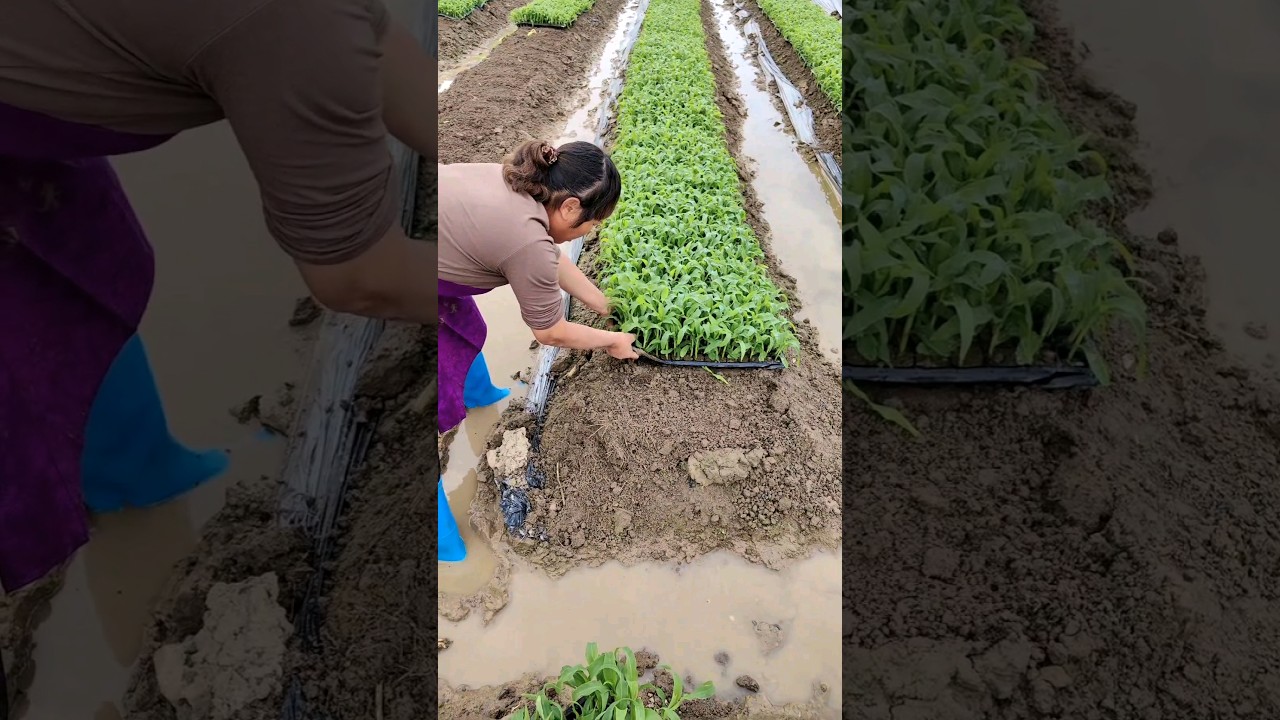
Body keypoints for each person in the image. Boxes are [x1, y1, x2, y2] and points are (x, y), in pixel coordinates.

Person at [0, 0, 437, 594]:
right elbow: (359, 277)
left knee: (85, 263)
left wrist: (496, 186)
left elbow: (377, 44)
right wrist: (493, 278)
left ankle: (134, 470)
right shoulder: (292, 22)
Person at [438, 140, 639, 435]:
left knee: (462, 327)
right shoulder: (527, 241)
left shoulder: (518, 182)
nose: (591, 231)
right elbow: (551, 332)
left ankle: (479, 397)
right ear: (571, 207)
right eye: (594, 223)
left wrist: (602, 304)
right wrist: (613, 341)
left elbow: (550, 258)